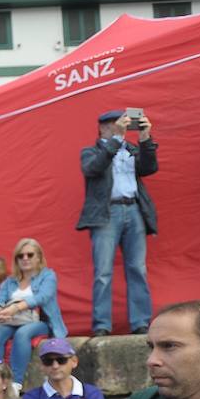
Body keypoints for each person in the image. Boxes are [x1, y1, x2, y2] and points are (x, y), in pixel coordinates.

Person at [78, 109, 159, 336]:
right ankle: (102, 325)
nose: (123, 126)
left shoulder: (131, 149)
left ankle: (141, 323)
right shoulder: (90, 152)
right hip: (107, 212)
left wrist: (145, 139)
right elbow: (93, 168)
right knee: (103, 272)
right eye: (116, 124)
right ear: (103, 127)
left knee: (137, 269)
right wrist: (115, 140)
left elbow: (149, 168)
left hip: (134, 209)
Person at [0, 238, 67, 384]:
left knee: (23, 333)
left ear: (39, 257)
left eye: (30, 255)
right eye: (20, 256)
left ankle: (16, 382)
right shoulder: (10, 281)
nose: (25, 258)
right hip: (11, 321)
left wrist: (16, 307)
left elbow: (42, 297)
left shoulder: (48, 276)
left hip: (40, 321)